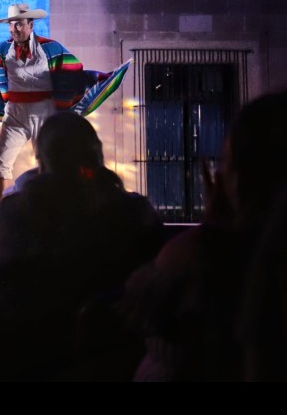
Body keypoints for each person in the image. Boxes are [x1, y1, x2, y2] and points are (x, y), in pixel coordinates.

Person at [0, 111, 164, 382]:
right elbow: (158, 284)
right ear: (97, 154)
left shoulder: (14, 213)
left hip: (24, 363)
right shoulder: (136, 212)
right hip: (115, 363)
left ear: (42, 160)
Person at [121, 89, 287, 382]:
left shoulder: (208, 256)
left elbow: (139, 310)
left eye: (226, 162)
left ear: (241, 178)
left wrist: (210, 231)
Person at [0, 2, 132, 205]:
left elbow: (72, 70)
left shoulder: (50, 48)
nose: (14, 29)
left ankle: (51, 209)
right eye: (11, 24)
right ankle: (0, 211)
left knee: (48, 160)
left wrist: (63, 105)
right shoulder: (3, 49)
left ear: (30, 25)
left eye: (19, 24)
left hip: (44, 111)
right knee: (0, 163)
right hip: (15, 112)